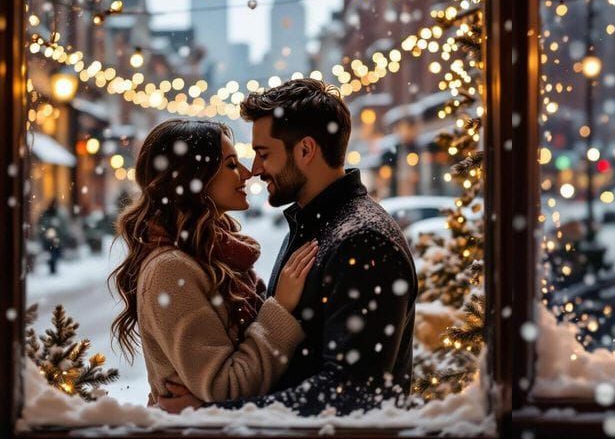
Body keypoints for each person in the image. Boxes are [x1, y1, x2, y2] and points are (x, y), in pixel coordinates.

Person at [157, 78, 418, 418]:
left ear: (305, 150)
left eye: (264, 154)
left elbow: (352, 393)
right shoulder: (314, 224)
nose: (256, 170)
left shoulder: (364, 241)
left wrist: (216, 411)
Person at [109, 119, 318, 404]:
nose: (247, 173)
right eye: (231, 165)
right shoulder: (170, 269)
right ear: (193, 177)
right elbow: (226, 386)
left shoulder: (213, 256)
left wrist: (206, 404)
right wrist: (280, 308)